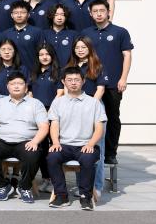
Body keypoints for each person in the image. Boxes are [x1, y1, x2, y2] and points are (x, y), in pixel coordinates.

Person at [0, 72, 49, 204]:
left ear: (26, 86)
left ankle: (24, 187)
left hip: (26, 141)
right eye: (13, 84)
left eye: (20, 83)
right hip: (2, 141)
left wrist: (35, 141)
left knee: (33, 154)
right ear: (8, 87)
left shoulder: (36, 104)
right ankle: (3, 185)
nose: (16, 86)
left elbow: (44, 126)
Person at [46, 67, 108, 211]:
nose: (73, 83)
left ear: (83, 81)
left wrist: (91, 144)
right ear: (63, 82)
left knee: (88, 159)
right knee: (52, 157)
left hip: (86, 144)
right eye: (69, 80)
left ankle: (85, 196)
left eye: (76, 80)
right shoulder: (58, 102)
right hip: (64, 144)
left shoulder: (94, 103)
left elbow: (100, 128)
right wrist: (55, 142)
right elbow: (54, 125)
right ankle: (61, 196)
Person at [81, 0, 131, 166]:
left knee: (112, 117)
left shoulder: (120, 32)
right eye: (95, 11)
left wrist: (123, 78)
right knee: (88, 117)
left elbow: (127, 55)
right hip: (91, 83)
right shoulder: (86, 32)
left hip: (113, 83)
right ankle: (88, 148)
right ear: (90, 14)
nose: (99, 14)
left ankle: (110, 153)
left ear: (108, 12)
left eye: (102, 10)